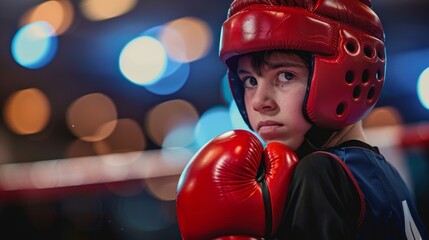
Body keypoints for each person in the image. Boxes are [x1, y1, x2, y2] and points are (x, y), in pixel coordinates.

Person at [176, 0, 428, 239]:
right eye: (250, 81)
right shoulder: (384, 172)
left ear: (339, 78)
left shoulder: (320, 173)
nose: (259, 101)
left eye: (285, 76)